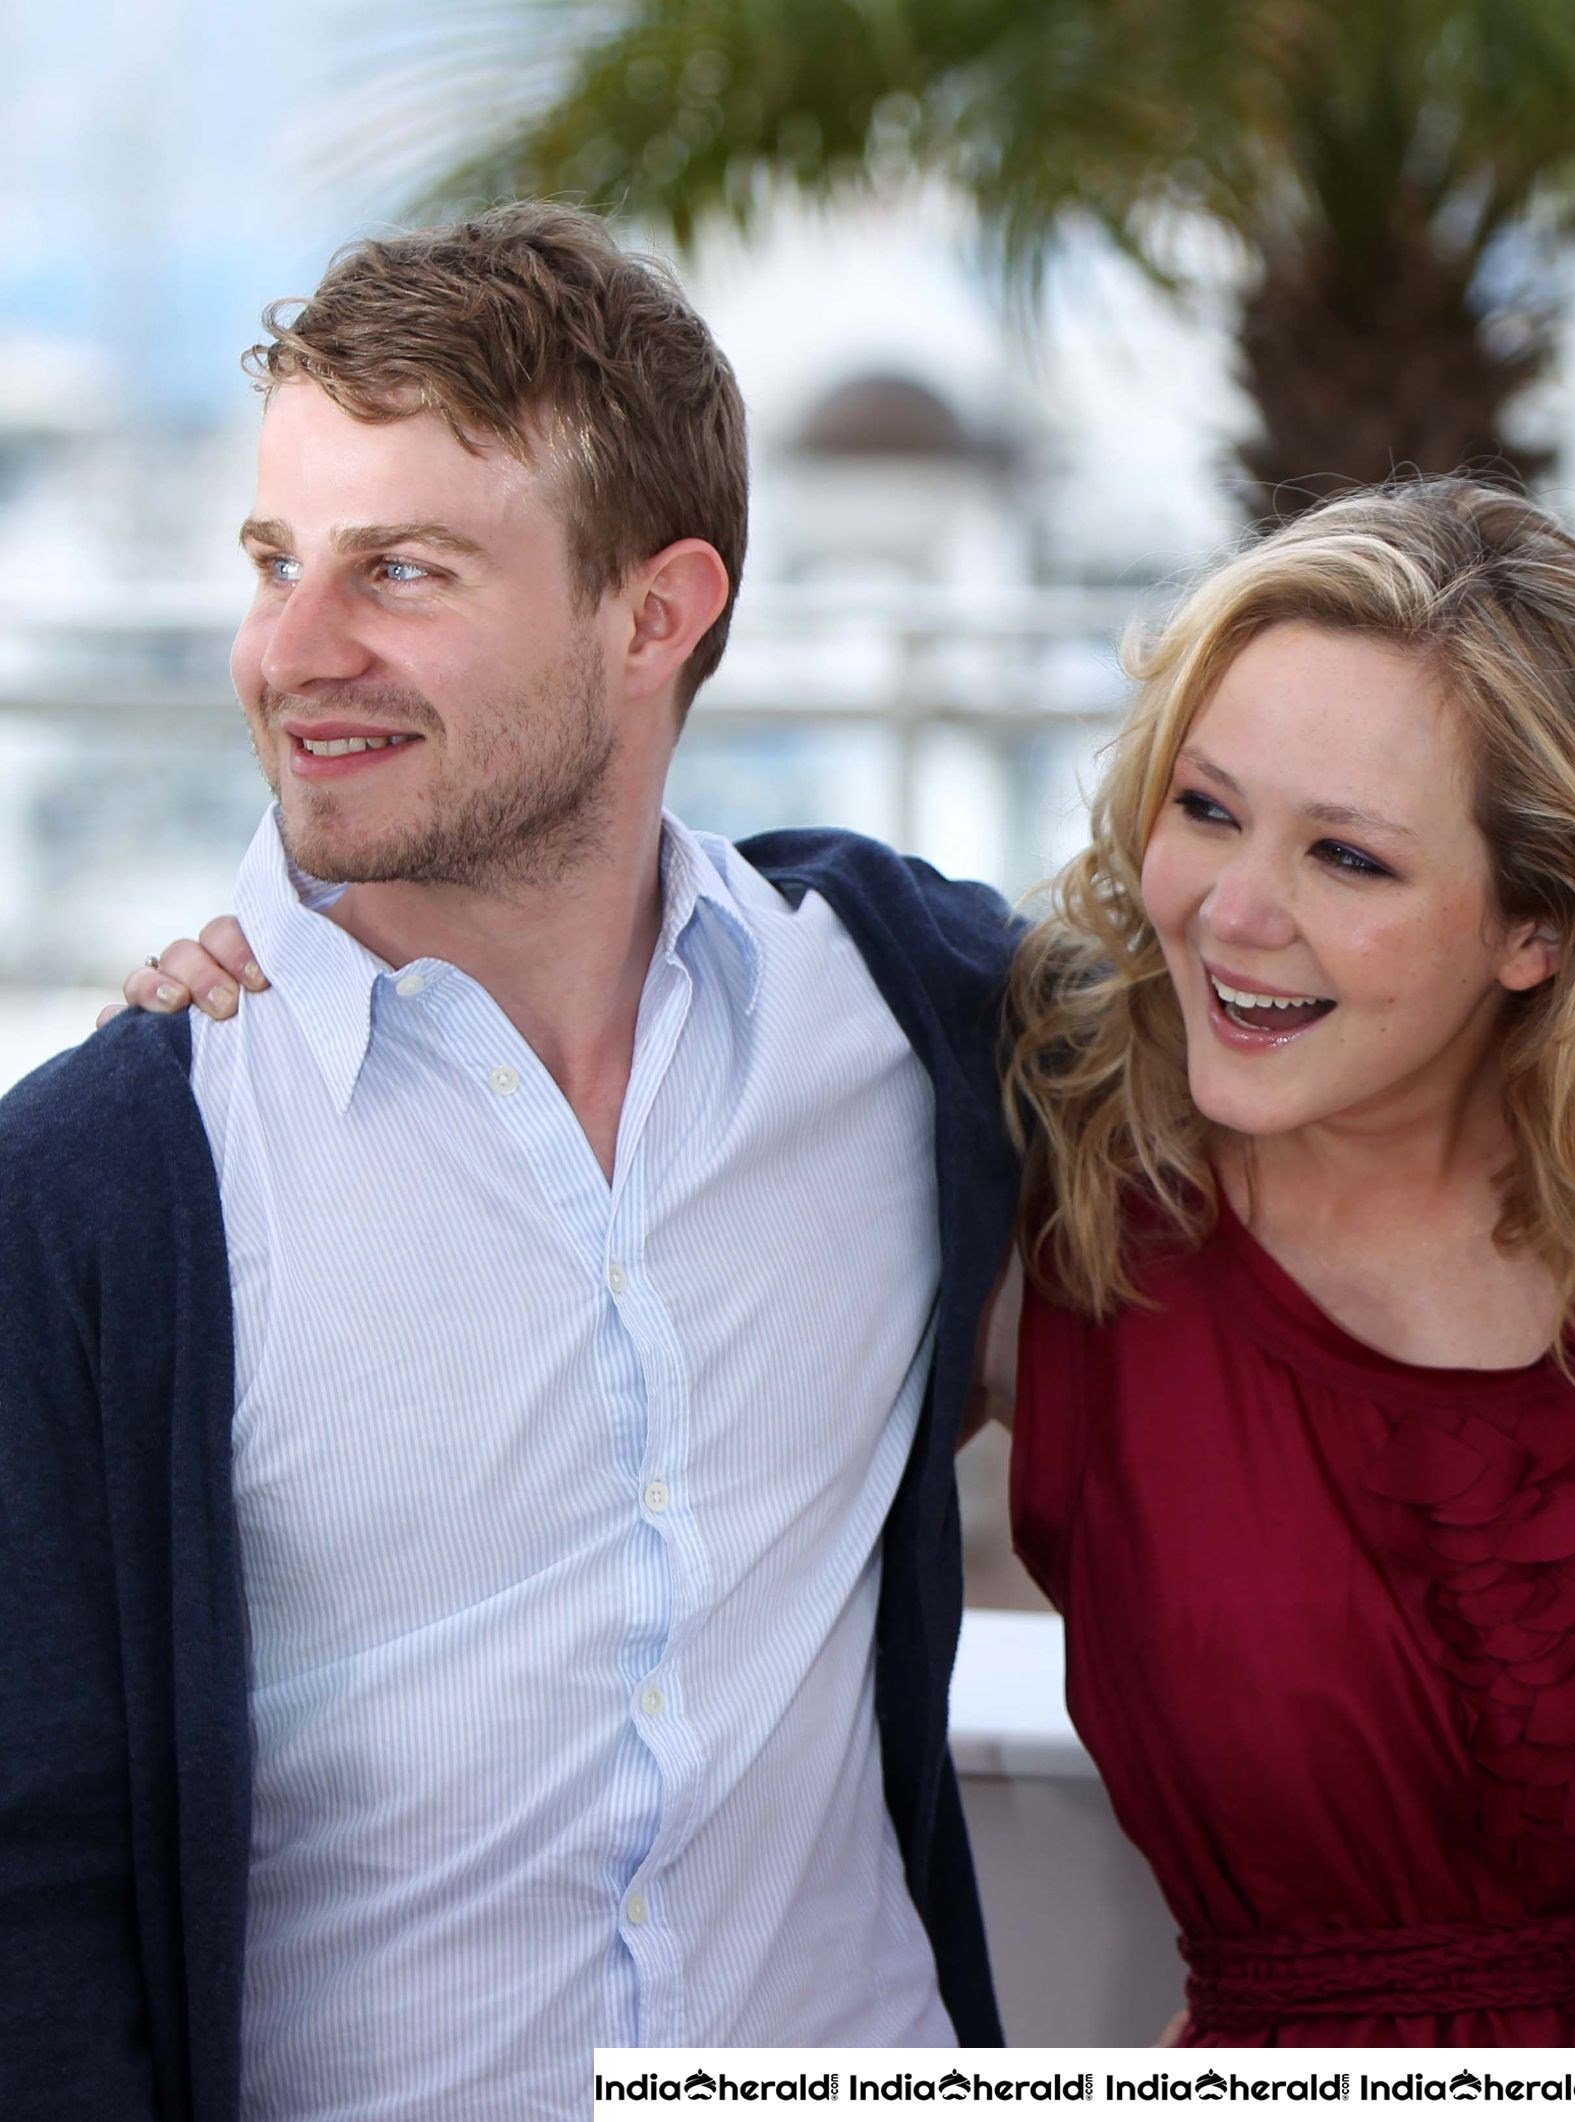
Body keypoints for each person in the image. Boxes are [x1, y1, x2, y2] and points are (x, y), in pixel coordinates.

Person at [0, 206, 1017, 2120]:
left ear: (657, 610)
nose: (291, 653)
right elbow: (32, 1908)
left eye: (400, 571)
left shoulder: (903, 1015)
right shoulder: (103, 1190)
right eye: (276, 562)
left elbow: (1382, 996)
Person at [997, 477, 1575, 2045]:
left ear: (1539, 927)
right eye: (1206, 807)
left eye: (1346, 859)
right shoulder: (1043, 1199)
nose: (1232, 913)